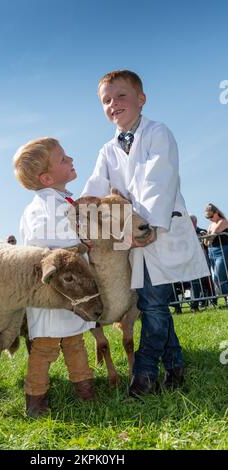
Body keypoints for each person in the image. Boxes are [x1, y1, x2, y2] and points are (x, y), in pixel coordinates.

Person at [82, 69, 210, 397]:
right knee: (154, 305)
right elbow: (94, 189)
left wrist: (150, 224)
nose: (114, 104)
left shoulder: (158, 133)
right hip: (132, 238)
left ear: (141, 99)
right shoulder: (107, 151)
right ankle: (176, 365)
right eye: (106, 100)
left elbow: (159, 178)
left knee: (152, 305)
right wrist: (82, 221)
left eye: (121, 96)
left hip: (159, 230)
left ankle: (144, 372)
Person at [13, 137, 96, 416]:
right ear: (47, 178)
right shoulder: (42, 206)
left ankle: (86, 391)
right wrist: (80, 240)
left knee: (75, 340)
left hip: (71, 289)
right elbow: (40, 239)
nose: (70, 159)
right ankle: (35, 400)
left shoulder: (62, 199)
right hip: (54, 289)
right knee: (46, 346)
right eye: (63, 159)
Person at [204, 203, 228, 297]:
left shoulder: (223, 221)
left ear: (216, 212)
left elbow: (211, 237)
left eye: (211, 216)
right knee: (216, 280)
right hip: (212, 253)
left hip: (222, 252)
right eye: (207, 217)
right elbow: (206, 242)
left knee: (220, 280)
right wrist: (207, 237)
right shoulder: (211, 225)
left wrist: (207, 236)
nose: (210, 219)